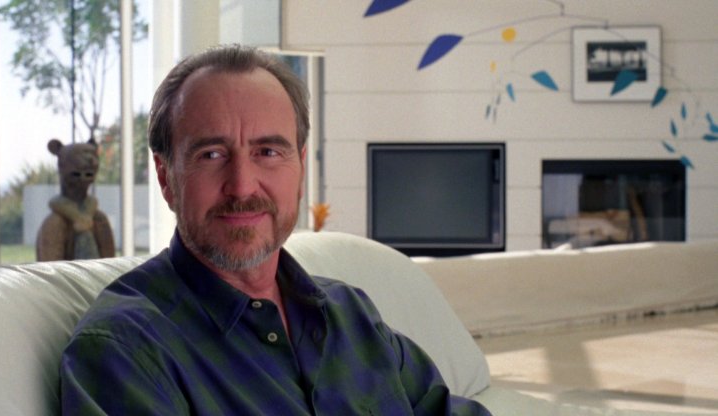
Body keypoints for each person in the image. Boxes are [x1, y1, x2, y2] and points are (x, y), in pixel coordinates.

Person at [60, 44, 492, 415]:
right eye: (212, 155)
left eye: (268, 151)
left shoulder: (351, 314)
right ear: (165, 177)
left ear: (300, 168)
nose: (242, 186)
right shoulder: (125, 349)